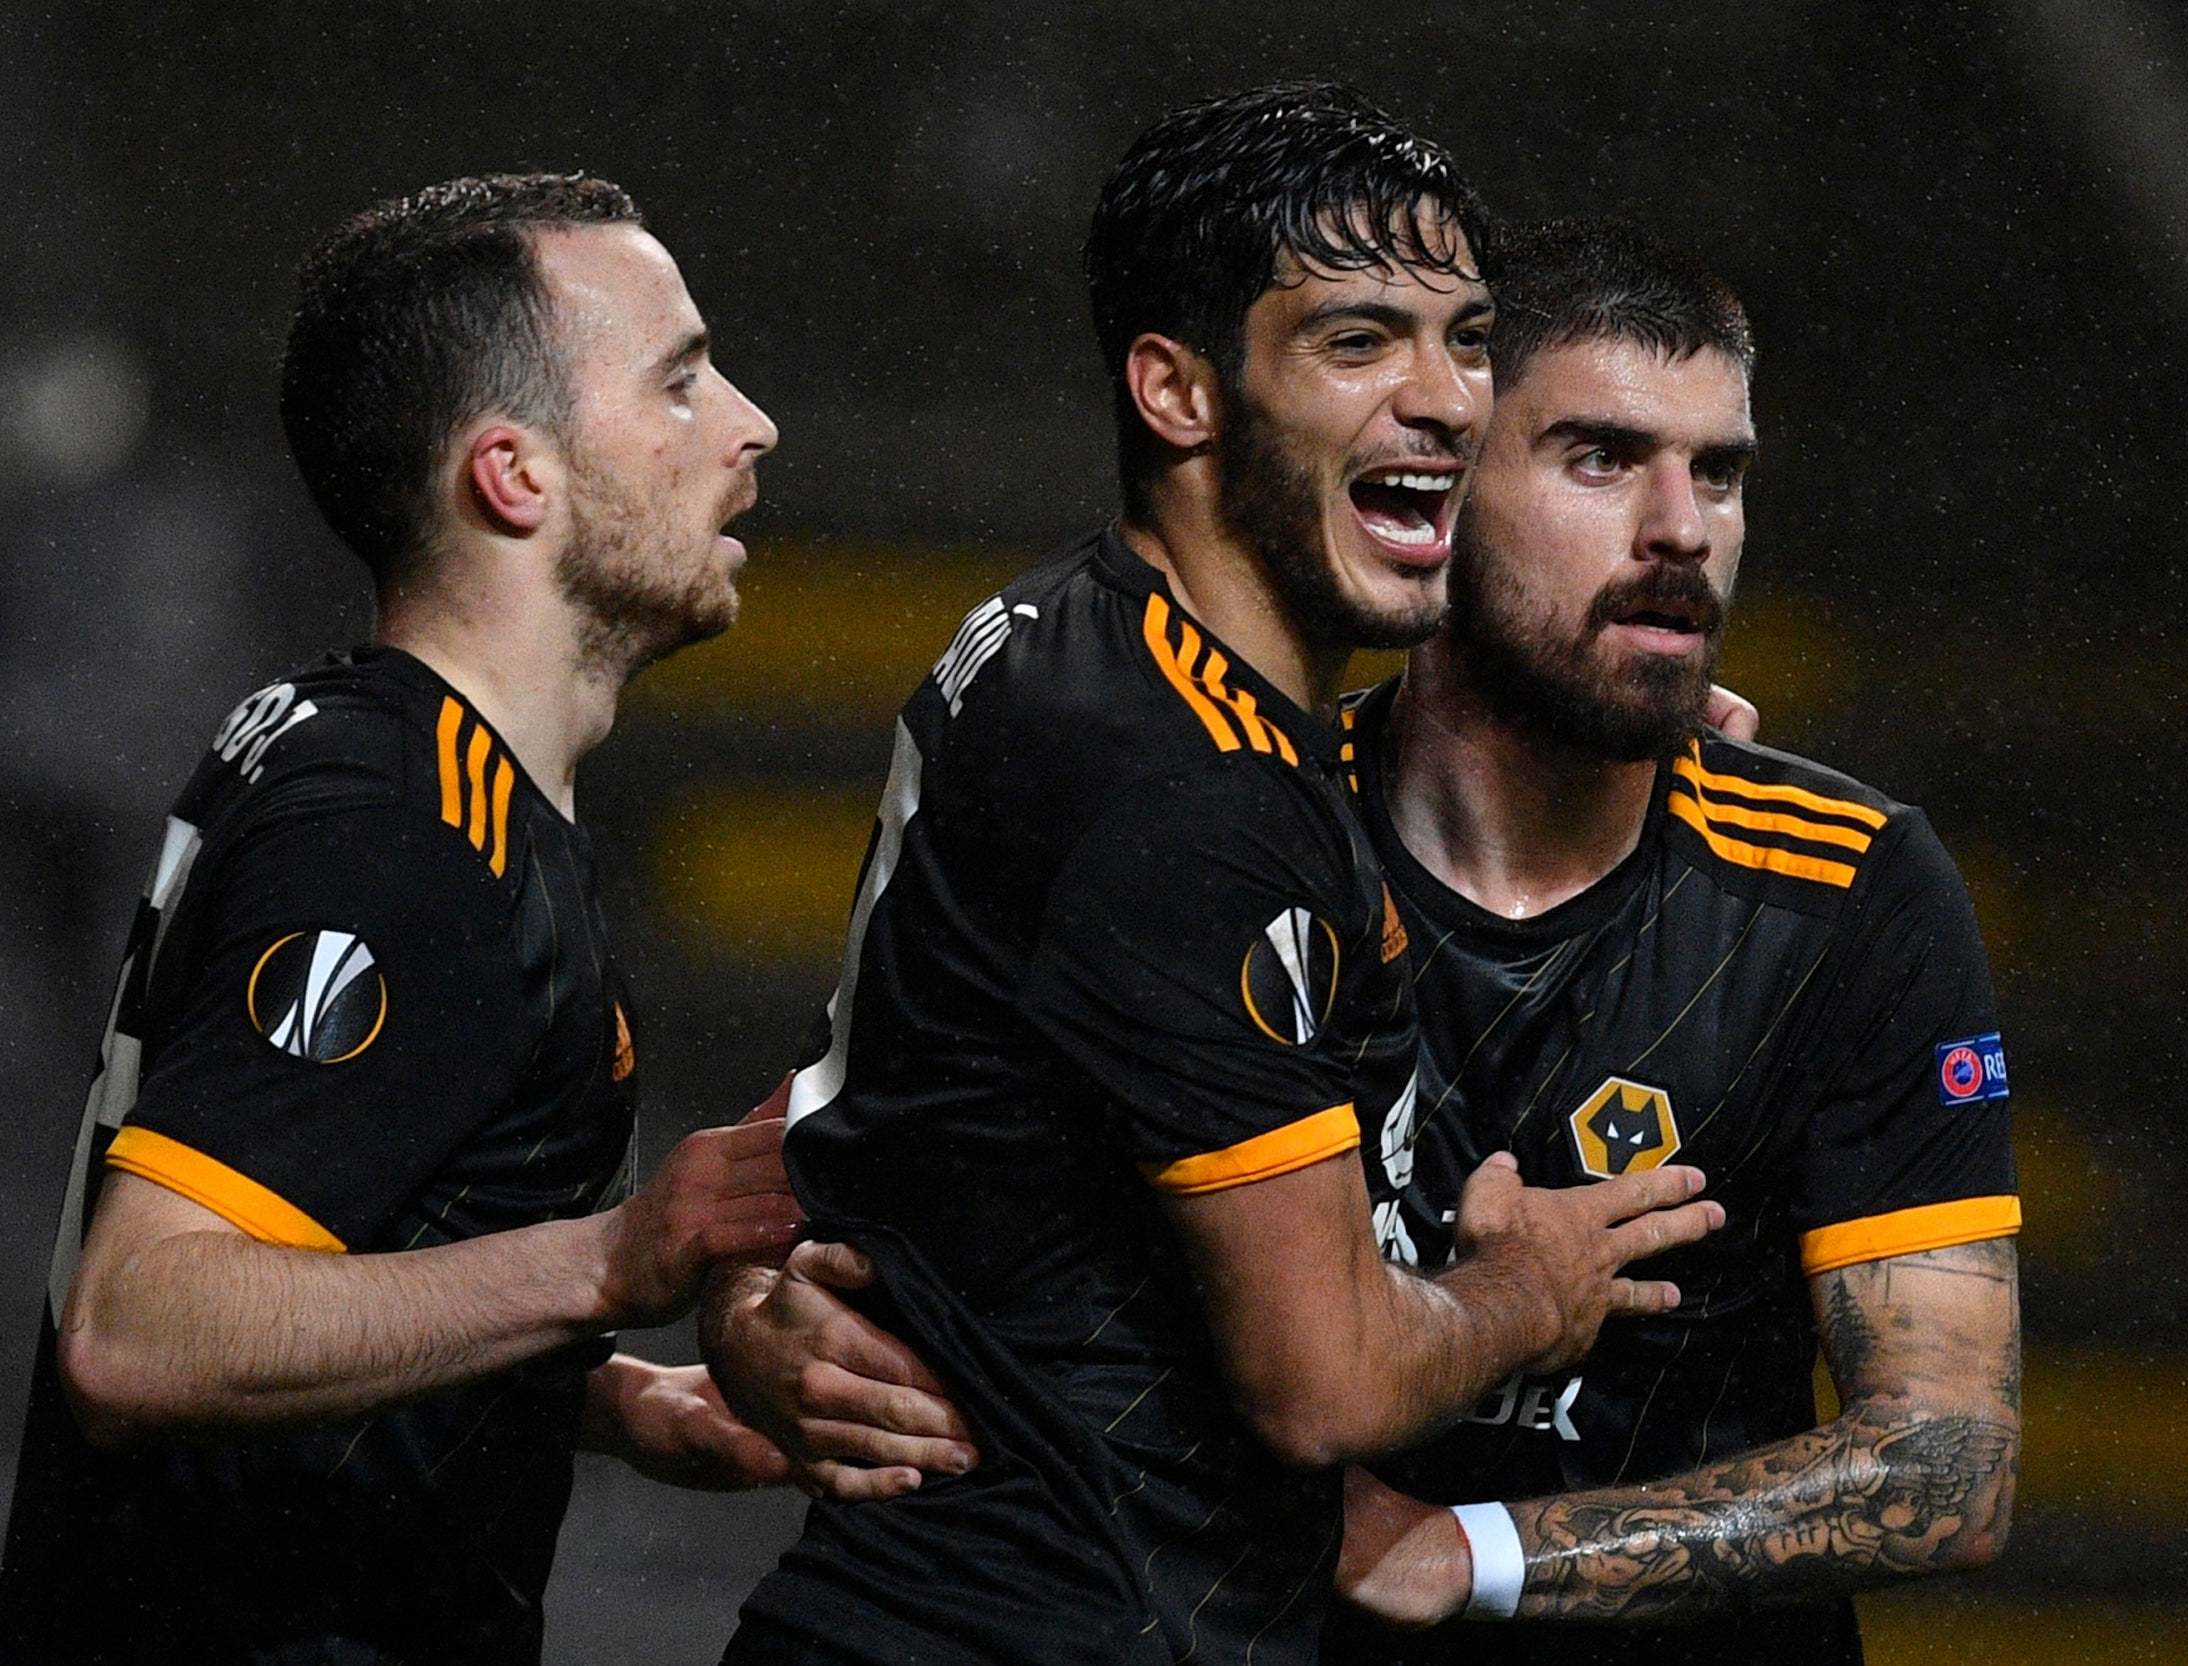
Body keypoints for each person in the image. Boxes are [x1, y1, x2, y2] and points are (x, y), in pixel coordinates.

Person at [700, 86, 1723, 1666]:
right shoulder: (1183, 790)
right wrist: (1531, 1289)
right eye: (1358, 340)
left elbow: (913, 1081)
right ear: (1177, 390)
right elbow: (1320, 1381)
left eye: (1466, 337)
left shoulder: (1063, 639)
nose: (1448, 398)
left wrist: (755, 1273)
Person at [0, 173, 815, 1665]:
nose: (748, 424)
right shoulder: (400, 826)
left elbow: (330, 1254)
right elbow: (141, 1329)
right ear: (514, 475)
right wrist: (607, 1261)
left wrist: (598, 1391)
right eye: (681, 380)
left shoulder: (370, 752)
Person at [1326, 218, 2021, 1665]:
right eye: (1600, 458)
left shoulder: (1851, 888)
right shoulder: (1247, 847)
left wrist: (1473, 1551)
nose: (1681, 529)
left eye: (1718, 471)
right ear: (1434, 484)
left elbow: (1946, 1465)